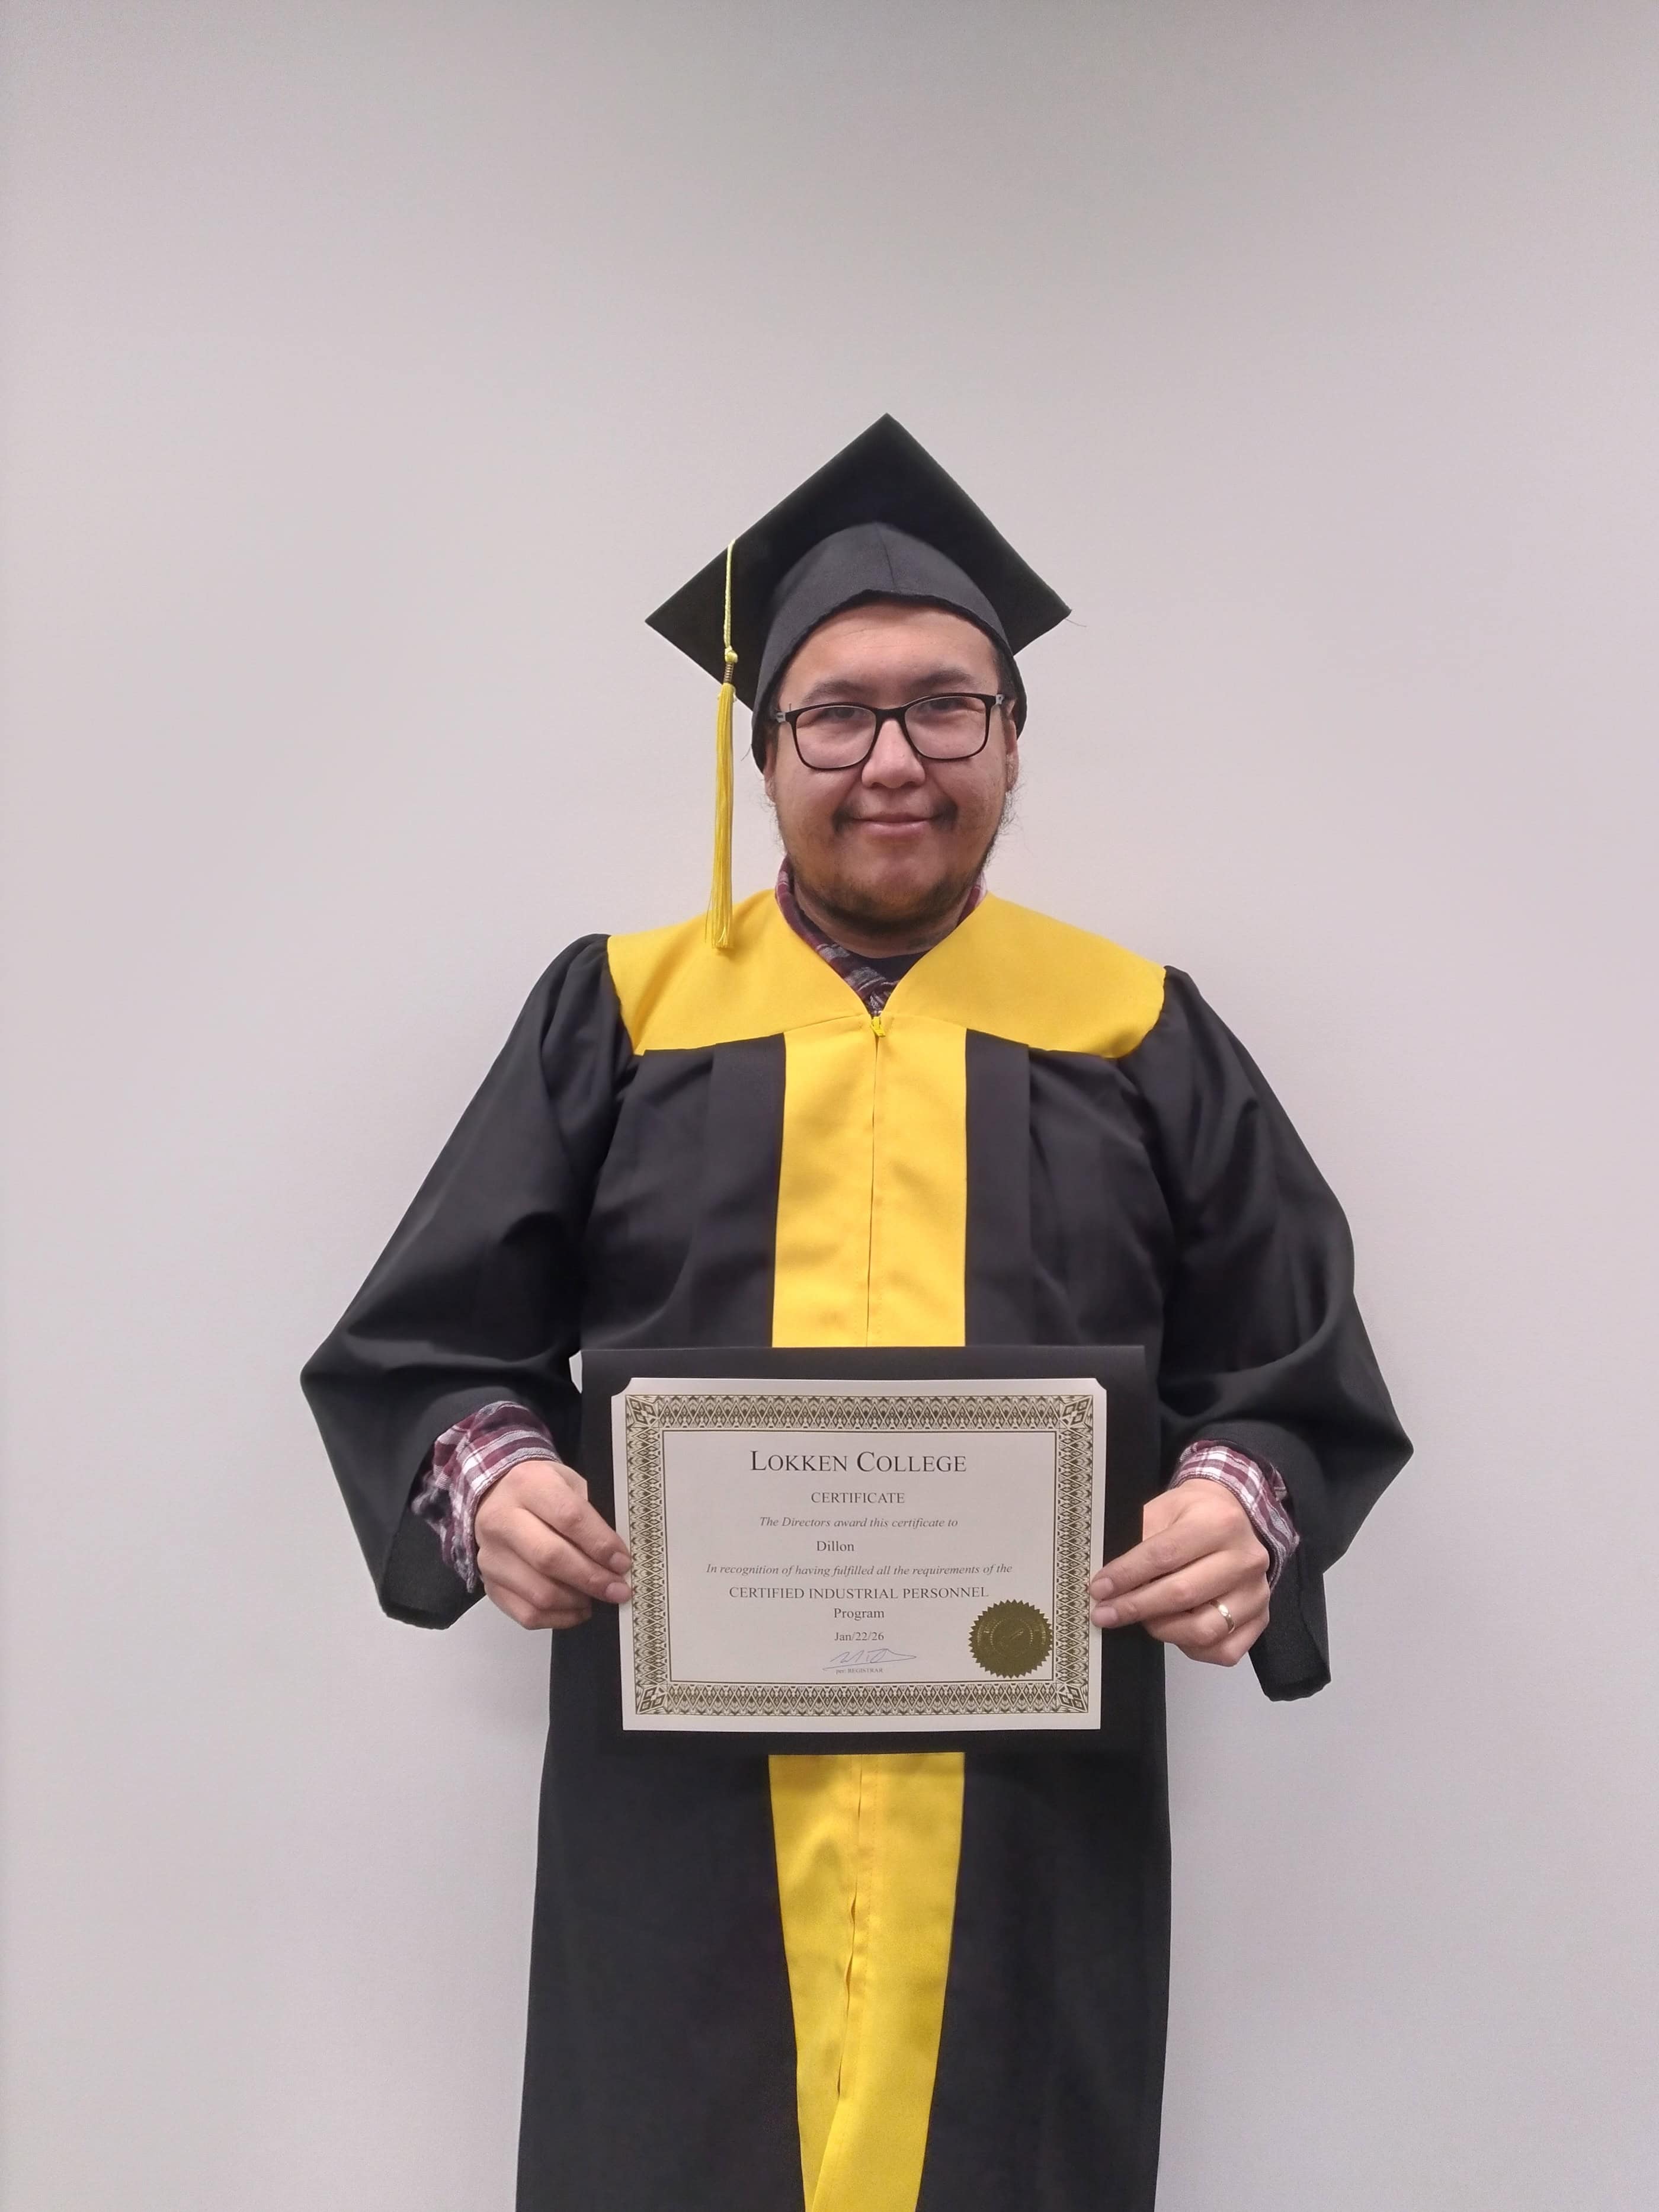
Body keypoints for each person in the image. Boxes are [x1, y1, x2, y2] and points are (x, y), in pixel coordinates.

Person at [302, 415, 1410, 2212]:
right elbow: (429, 1350)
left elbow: (1291, 1372)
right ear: (765, 753)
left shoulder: (1132, 1027)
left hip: (1030, 1816)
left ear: (1012, 739)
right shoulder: (626, 1014)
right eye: (837, 714)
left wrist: (1242, 1507)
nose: (894, 758)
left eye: (946, 708)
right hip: (682, 1814)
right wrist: (493, 1481)